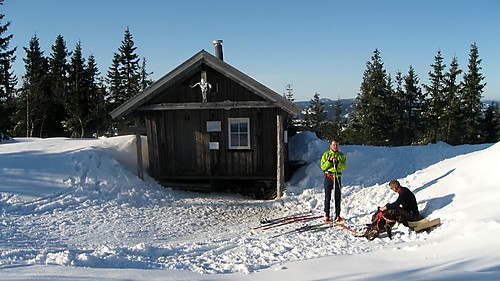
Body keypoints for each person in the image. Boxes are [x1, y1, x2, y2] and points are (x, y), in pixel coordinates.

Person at [320, 139, 347, 222]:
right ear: (330, 146)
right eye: (334, 145)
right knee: (327, 196)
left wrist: (337, 162)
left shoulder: (341, 155)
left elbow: (343, 166)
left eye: (337, 145)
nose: (335, 146)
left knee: (337, 197)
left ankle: (338, 215)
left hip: (337, 177)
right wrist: (330, 161)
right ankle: (327, 214)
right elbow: (323, 167)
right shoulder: (326, 155)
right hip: (328, 177)